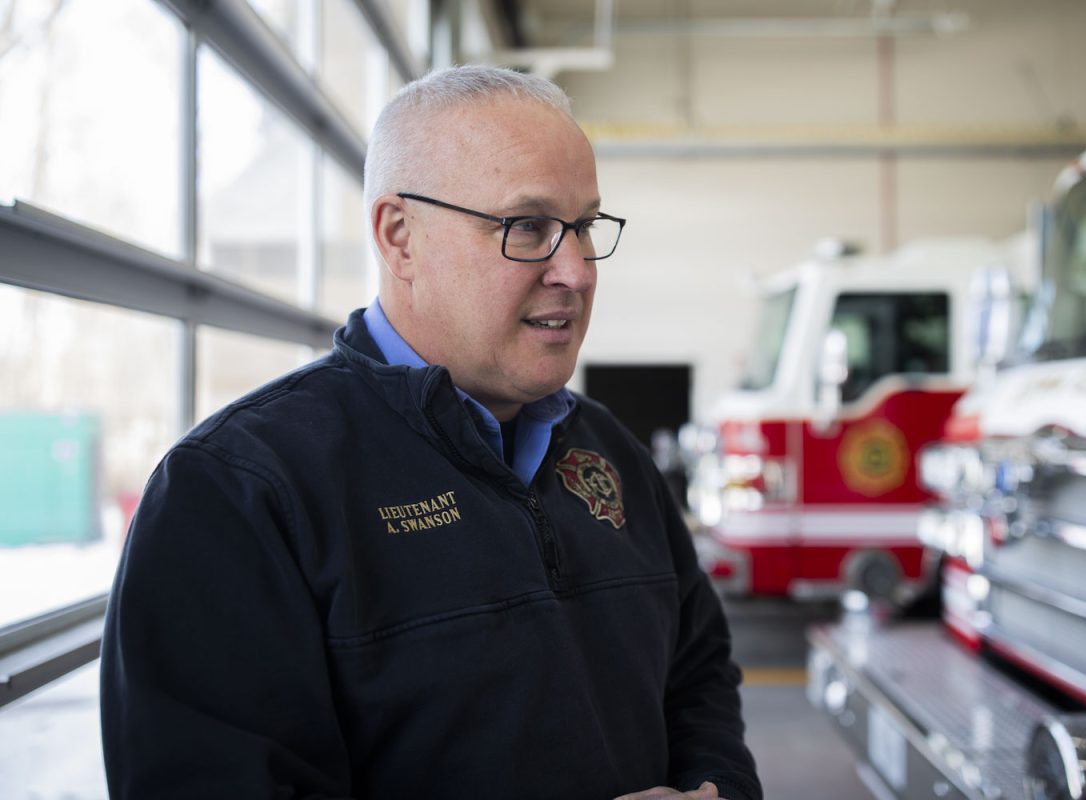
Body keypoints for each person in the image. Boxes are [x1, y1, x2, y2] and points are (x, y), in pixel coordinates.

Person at [100, 65, 761, 800]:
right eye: (529, 227)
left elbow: (697, 672)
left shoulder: (608, 450)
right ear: (400, 237)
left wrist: (717, 788)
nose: (575, 271)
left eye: (581, 227)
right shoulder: (238, 490)